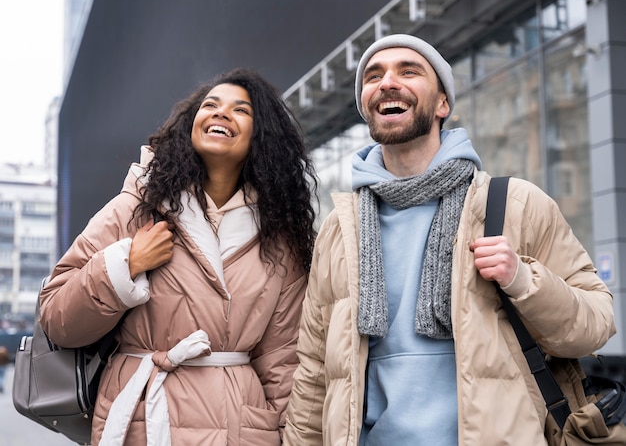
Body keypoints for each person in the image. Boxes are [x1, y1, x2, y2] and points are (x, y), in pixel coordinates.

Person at [283, 34, 616, 445]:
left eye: (409, 71)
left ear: (442, 104)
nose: (388, 82)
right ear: (367, 105)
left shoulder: (514, 204)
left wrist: (523, 280)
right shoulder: (339, 230)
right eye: (374, 75)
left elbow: (597, 322)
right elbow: (315, 371)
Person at [39, 68, 318, 445]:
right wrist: (127, 264)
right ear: (192, 124)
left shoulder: (280, 237)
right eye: (211, 105)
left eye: (241, 110)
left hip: (240, 427)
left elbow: (283, 362)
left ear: (262, 137)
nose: (221, 113)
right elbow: (58, 319)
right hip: (144, 414)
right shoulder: (134, 207)